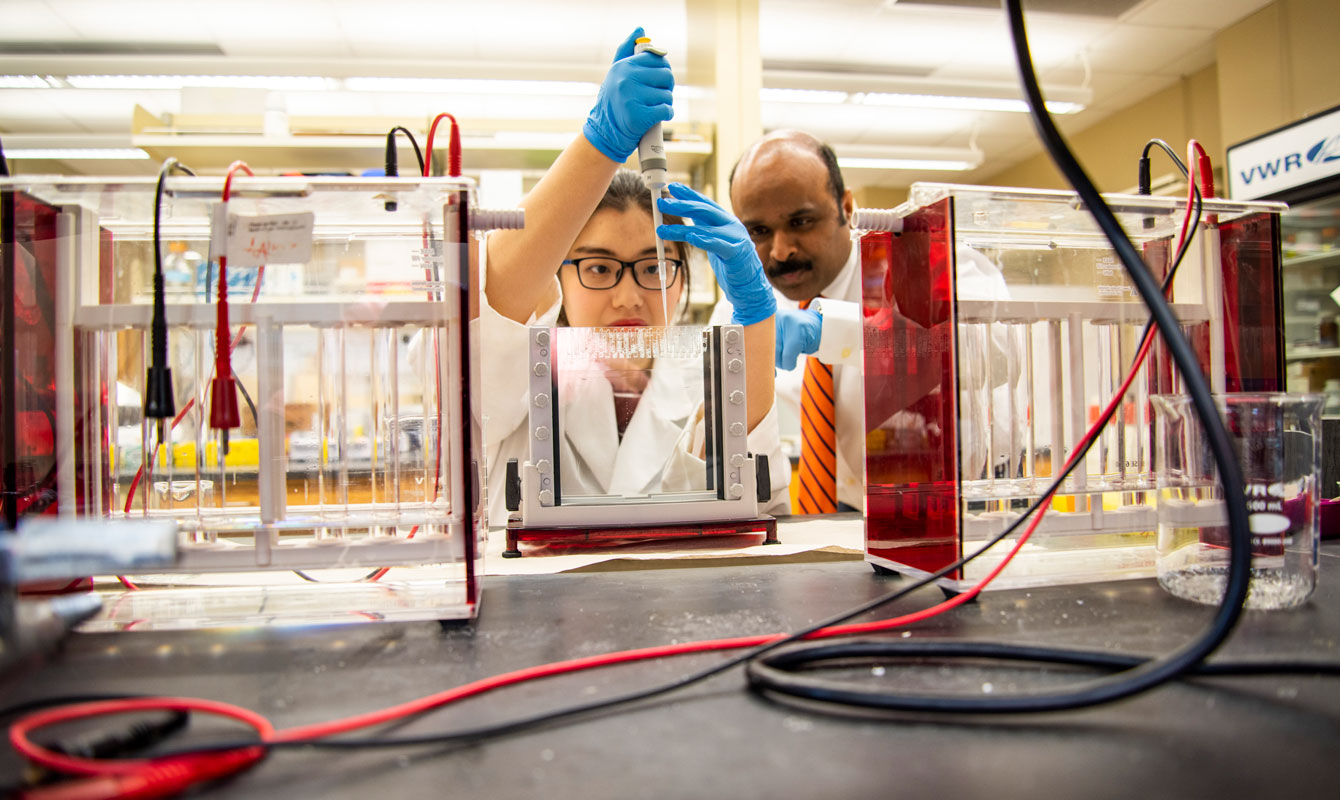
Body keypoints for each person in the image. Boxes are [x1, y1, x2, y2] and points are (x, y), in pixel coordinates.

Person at [478, 28, 790, 528]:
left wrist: (758, 316)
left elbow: (757, 503)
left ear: (683, 281)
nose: (628, 297)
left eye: (652, 268)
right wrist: (599, 144)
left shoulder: (706, 388)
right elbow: (493, 297)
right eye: (599, 267)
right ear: (555, 281)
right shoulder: (521, 385)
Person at [711, 130, 865, 513]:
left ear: (846, 206)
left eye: (801, 221)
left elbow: (990, 351)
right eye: (758, 231)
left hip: (943, 513)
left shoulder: (926, 266)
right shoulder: (742, 306)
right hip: (831, 515)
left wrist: (840, 332)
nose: (781, 251)